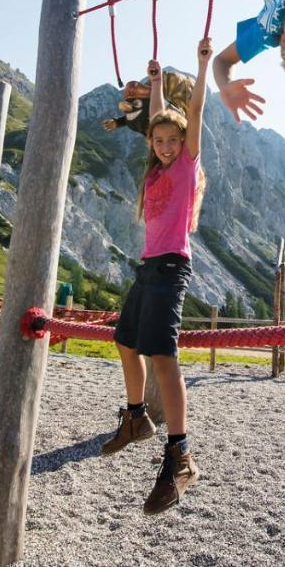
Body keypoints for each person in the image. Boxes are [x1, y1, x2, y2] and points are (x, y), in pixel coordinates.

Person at [100, 37, 212, 515]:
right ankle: (135, 418)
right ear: (150, 141)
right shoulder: (153, 169)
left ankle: (181, 455)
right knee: (125, 340)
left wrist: (202, 67)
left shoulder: (187, 165)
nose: (166, 146)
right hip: (148, 269)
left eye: (172, 140)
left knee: (163, 357)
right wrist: (155, 84)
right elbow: (157, 115)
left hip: (172, 268)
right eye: (159, 140)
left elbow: (196, 112)